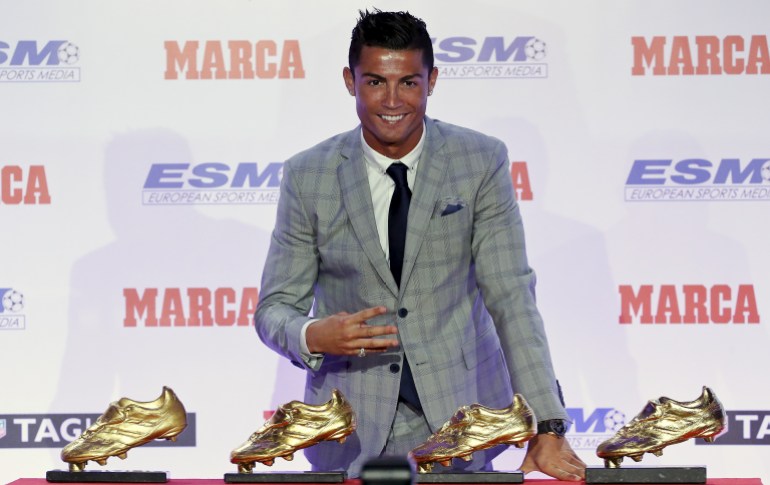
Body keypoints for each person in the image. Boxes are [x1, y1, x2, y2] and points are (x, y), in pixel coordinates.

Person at [254, 9, 586, 480]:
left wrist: (547, 423)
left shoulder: (480, 161)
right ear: (350, 81)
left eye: (409, 82)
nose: (392, 100)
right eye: (375, 82)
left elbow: (511, 295)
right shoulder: (309, 175)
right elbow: (274, 309)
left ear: (432, 81)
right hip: (348, 428)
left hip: (465, 421)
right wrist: (314, 335)